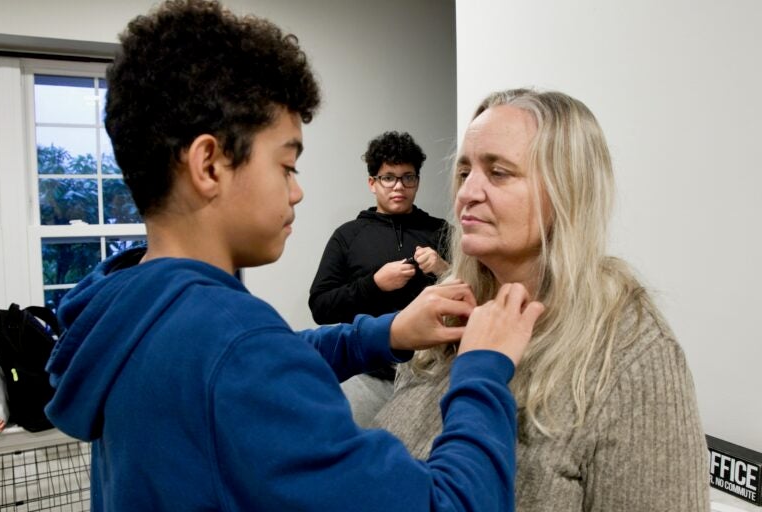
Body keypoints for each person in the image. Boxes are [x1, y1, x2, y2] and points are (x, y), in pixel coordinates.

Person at [42, 2, 545, 511]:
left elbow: (276, 355)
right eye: (286, 165)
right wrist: (483, 368)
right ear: (209, 165)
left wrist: (387, 333)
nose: (297, 191)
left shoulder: (137, 309)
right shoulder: (233, 346)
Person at [373, 88, 710, 511]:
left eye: (498, 173)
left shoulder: (631, 353)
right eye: (464, 173)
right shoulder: (442, 311)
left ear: (566, 189)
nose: (467, 193)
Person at [309, 131, 450, 424]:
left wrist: (443, 269)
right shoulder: (348, 235)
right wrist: (374, 284)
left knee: (423, 460)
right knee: (351, 457)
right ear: (372, 183)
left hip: (431, 376)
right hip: (367, 376)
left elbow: (474, 293)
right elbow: (321, 307)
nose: (398, 186)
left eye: (407, 177)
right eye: (388, 177)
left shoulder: (442, 232)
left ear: (417, 181)